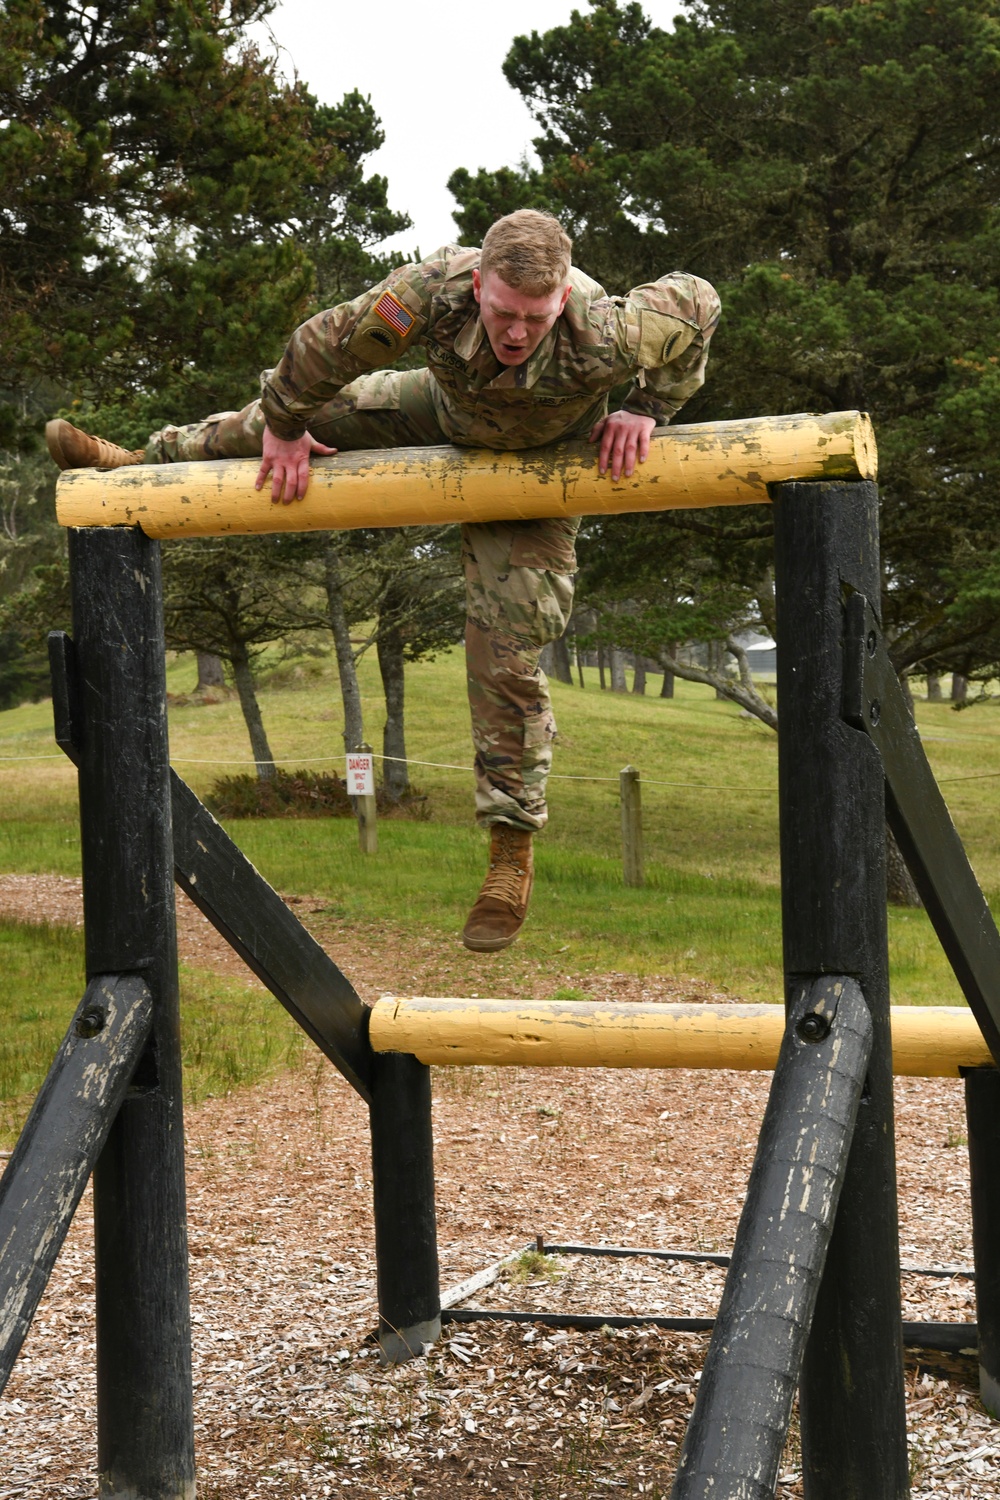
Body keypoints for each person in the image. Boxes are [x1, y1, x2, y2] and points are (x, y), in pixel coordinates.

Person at [47, 210, 721, 953]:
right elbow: (322, 344)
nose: (516, 332)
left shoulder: (612, 330)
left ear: (561, 298)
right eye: (502, 311)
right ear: (479, 281)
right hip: (445, 409)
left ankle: (509, 852)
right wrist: (284, 421)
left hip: (551, 460)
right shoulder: (430, 290)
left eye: (534, 316)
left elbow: (698, 302)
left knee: (504, 652)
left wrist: (646, 407)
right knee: (300, 416)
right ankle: (138, 460)